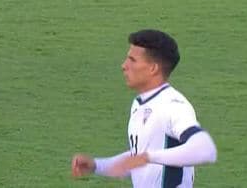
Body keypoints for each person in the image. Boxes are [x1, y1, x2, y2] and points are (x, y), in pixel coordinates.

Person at [71, 29, 218, 187]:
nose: (124, 66)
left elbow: (205, 149)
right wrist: (97, 166)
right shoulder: (140, 104)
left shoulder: (173, 106)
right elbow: (139, 155)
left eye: (132, 60)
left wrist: (148, 157)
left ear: (153, 68)